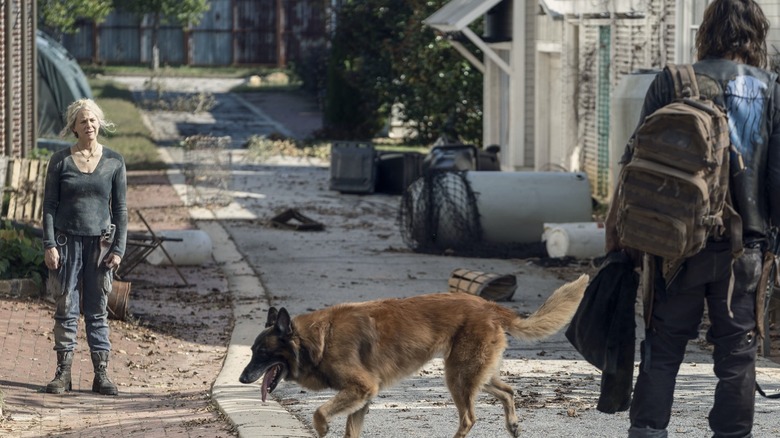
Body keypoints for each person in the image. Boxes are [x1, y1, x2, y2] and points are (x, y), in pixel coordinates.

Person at [604, 1, 780, 436]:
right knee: (737, 354)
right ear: (756, 34)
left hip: (673, 244)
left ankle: (647, 431)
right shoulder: (771, 89)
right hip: (745, 249)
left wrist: (621, 233)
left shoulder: (673, 80)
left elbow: (633, 164)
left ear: (706, 31)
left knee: (663, 347)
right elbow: (777, 176)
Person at [42, 98, 128, 396]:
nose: (89, 125)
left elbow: (121, 210)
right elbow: (49, 206)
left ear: (99, 123)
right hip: (66, 244)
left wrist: (119, 248)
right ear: (73, 127)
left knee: (97, 311)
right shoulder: (60, 161)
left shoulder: (115, 161)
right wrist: (49, 244)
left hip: (101, 247)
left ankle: (101, 375)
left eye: (92, 120)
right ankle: (63, 374)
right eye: (83, 122)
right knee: (66, 308)